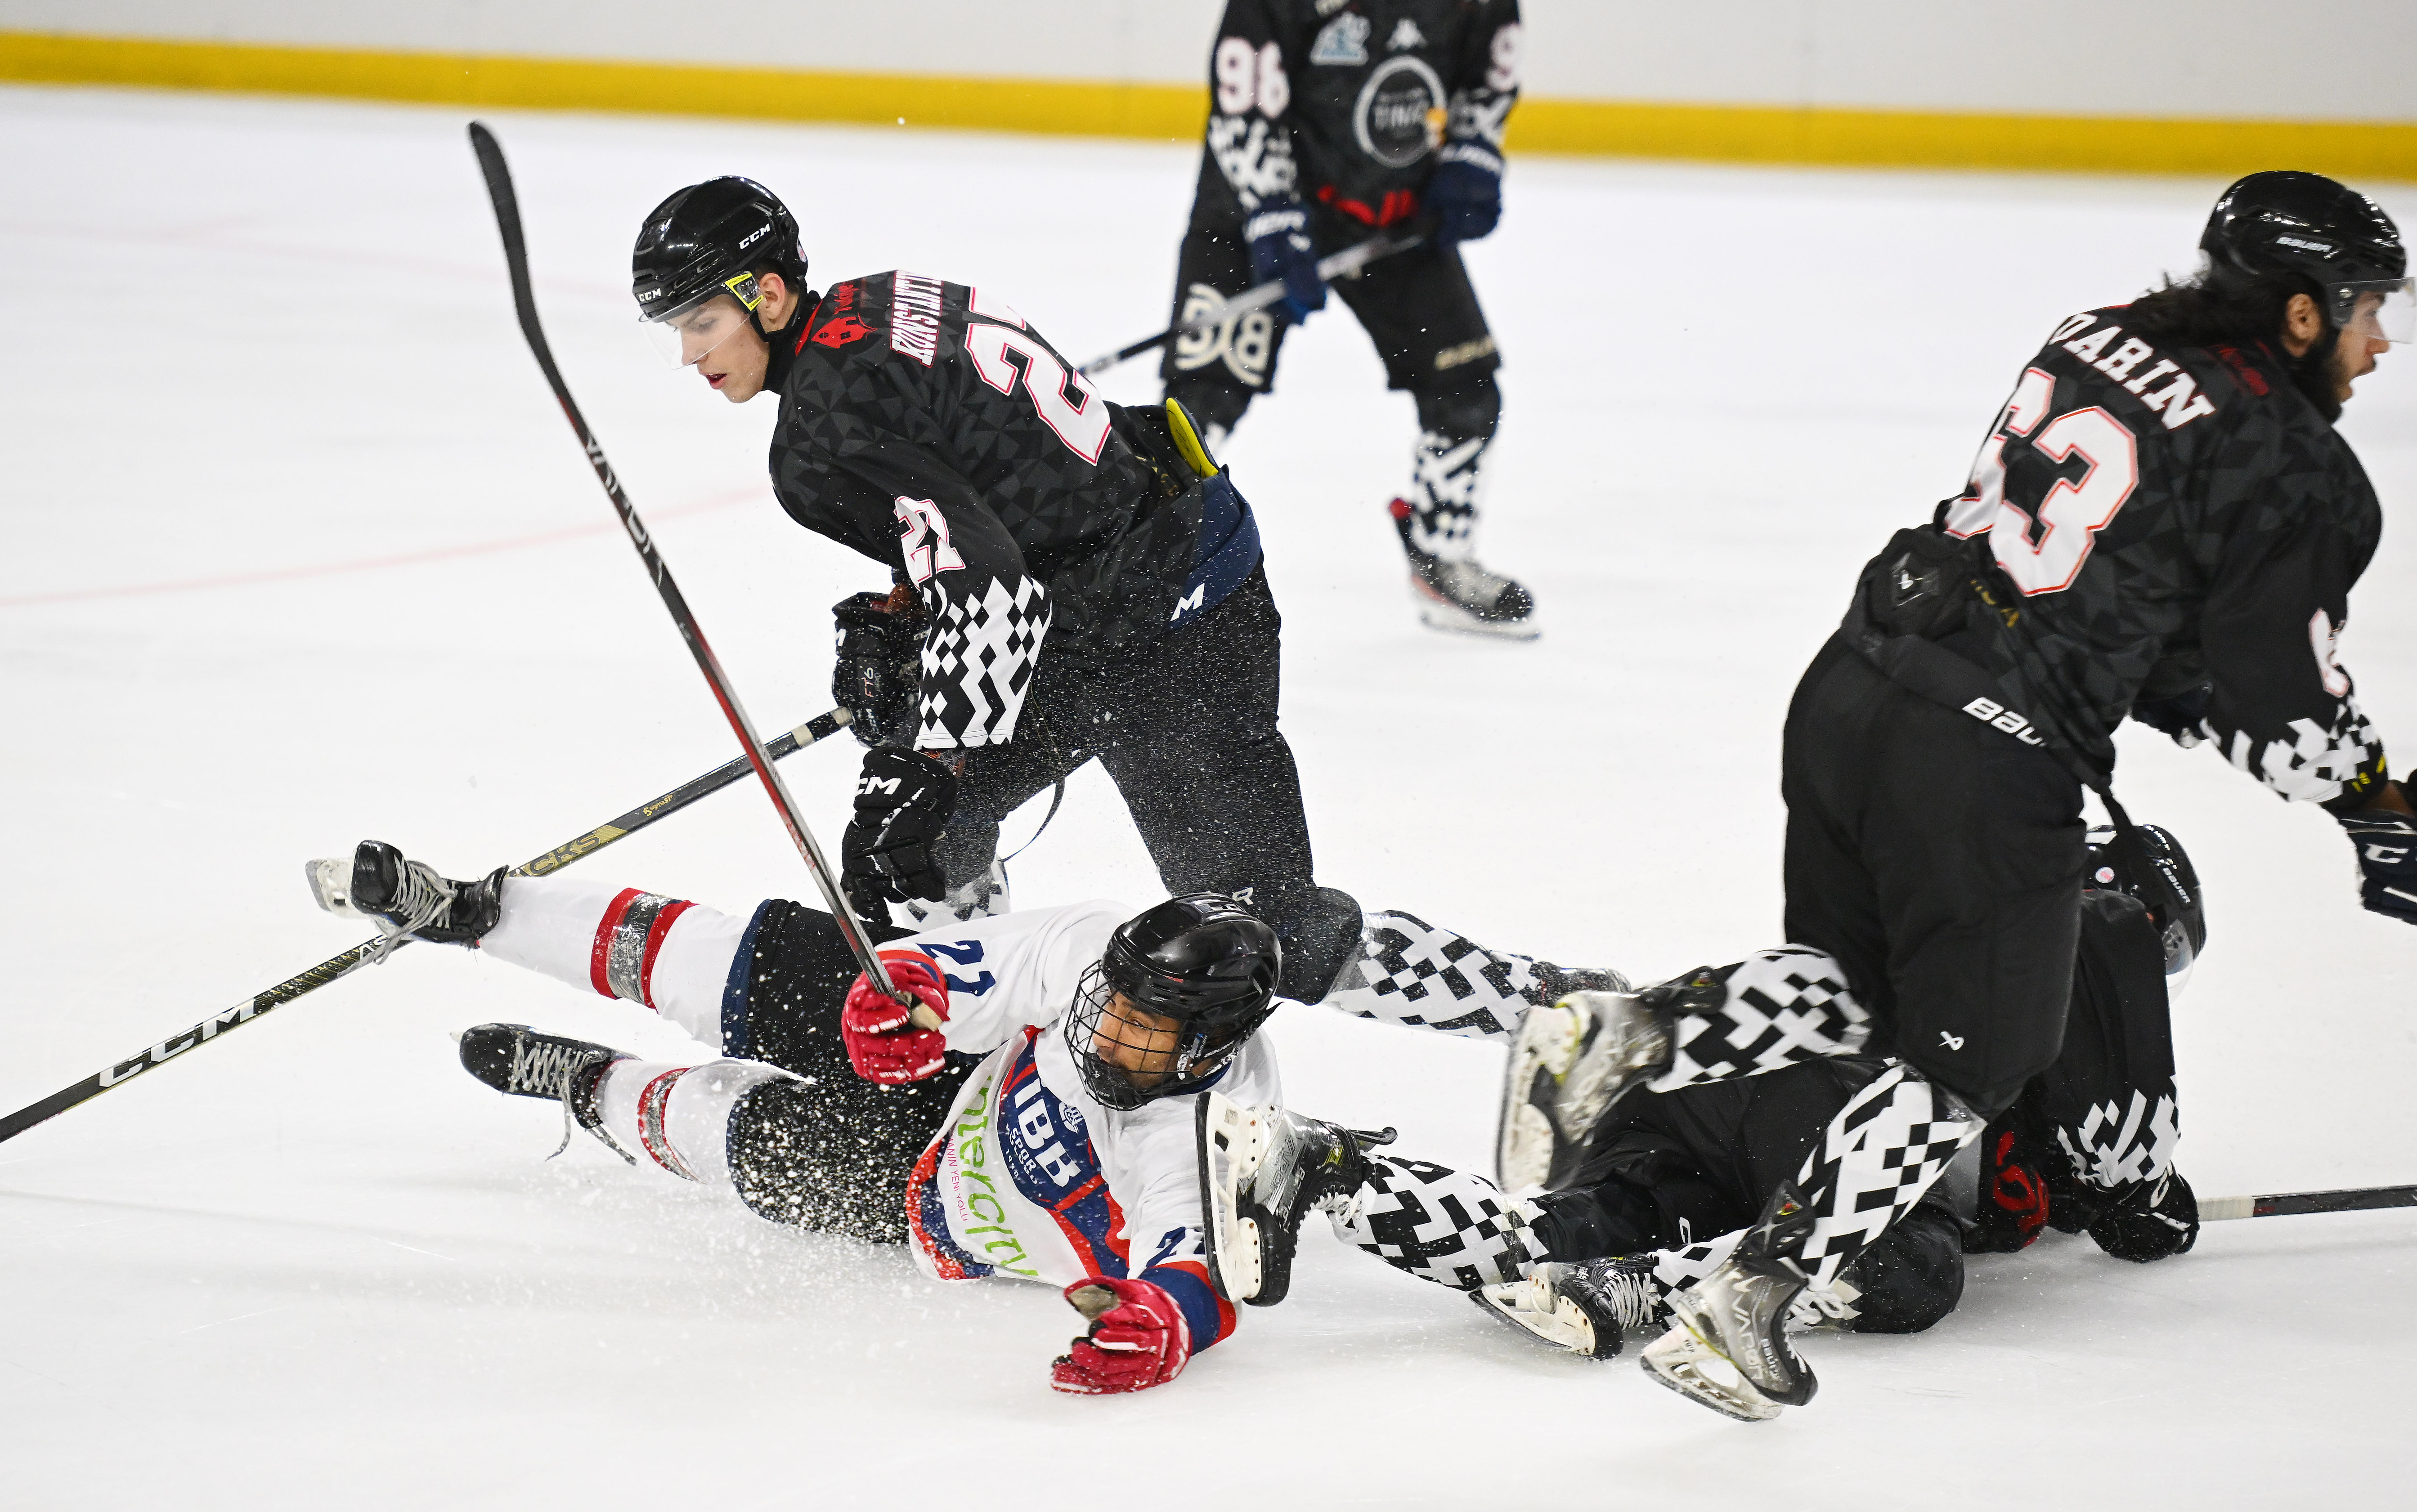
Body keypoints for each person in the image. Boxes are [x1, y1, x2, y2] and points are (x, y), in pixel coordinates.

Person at [1219, 169, 2415, 1422]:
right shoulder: (2293, 462)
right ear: (2294, 312)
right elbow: (2285, 702)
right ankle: (1746, 1309)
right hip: (1987, 757)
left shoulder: (2100, 334)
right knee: (1971, 1067)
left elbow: (2146, 642)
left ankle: (1626, 1033)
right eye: (2365, 309)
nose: (2378, 340)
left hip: (1853, 684)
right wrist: (2376, 803)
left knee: (1855, 996)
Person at [626, 174, 1616, 1049]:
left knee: (1255, 928)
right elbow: (992, 492)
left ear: (764, 293)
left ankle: (1558, 1012)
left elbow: (993, 592)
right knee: (915, 851)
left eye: (700, 325)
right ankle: (984, 1046)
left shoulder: (816, 437)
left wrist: (927, 754)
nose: (689, 357)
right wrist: (906, 618)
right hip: (1137, 581)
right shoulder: (881, 299)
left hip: (1168, 621)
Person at [309, 837, 1305, 1396]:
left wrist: (1166, 1321)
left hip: (930, 1202)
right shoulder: (1097, 949)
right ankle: (480, 910)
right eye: (1112, 999)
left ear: (1207, 1045)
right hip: (958, 1073)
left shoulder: (1207, 1126)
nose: (1102, 1027)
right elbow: (977, 972)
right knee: (766, 962)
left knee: (725, 1131)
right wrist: (904, 999)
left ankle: (591, 1088)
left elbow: (1197, 1260)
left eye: (1137, 1027)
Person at [1196, 824, 2209, 1367]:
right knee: (1912, 1269)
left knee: (1547, 1238)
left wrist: (2091, 1197)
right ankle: (1650, 1290)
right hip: (1812, 1107)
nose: (2152, 979)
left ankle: (1324, 1172)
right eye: (2163, 951)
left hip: (1701, 1106)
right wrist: (2144, 1198)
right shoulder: (2069, 936)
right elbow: (2119, 1152)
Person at [1161, 0, 1534, 639]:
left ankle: (1441, 555)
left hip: (1391, 216)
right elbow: (1243, 103)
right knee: (1202, 402)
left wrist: (1472, 150)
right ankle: (1145, 561)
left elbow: (1488, 74)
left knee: (1465, 389)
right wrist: (1274, 216)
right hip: (1251, 218)